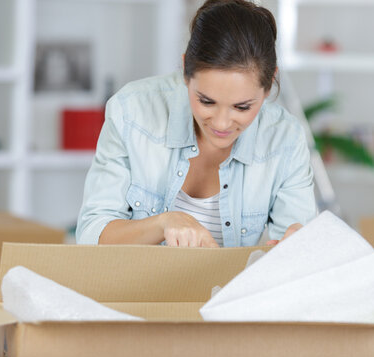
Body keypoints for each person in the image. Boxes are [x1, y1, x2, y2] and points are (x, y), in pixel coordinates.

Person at [76, 0, 317, 247]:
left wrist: (297, 248)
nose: (222, 123)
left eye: (242, 107)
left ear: (270, 83)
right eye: (206, 101)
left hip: (235, 287)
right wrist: (164, 223)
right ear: (185, 71)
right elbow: (91, 235)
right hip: (140, 286)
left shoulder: (285, 139)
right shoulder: (131, 112)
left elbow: (297, 251)